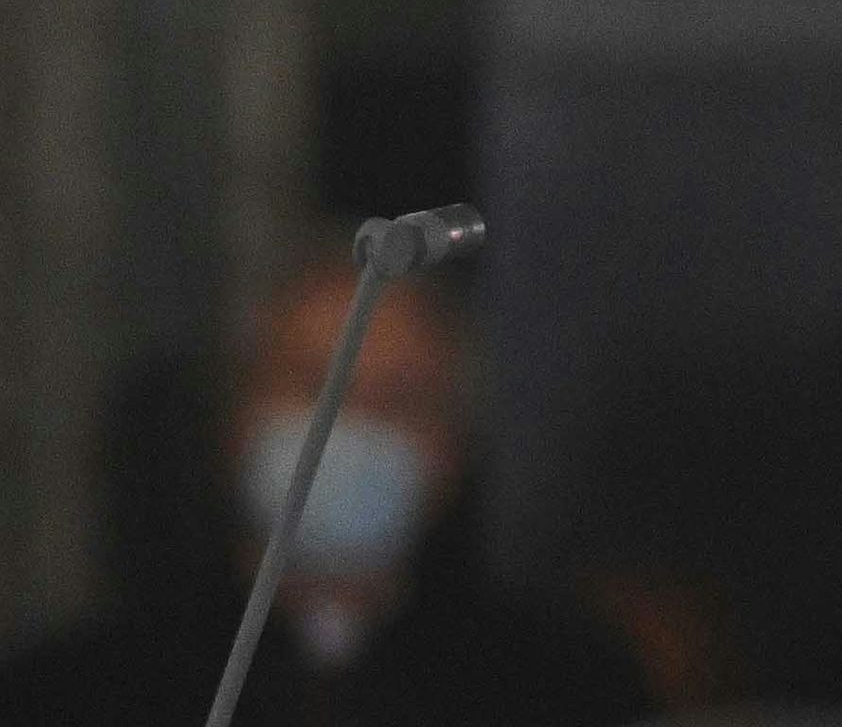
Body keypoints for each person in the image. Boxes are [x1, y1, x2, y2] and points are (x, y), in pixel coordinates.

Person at [0, 243, 648, 727]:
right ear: (236, 419)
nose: (351, 427)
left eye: (398, 399)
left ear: (452, 453)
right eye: (316, 386)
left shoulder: (562, 689)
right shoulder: (74, 693)